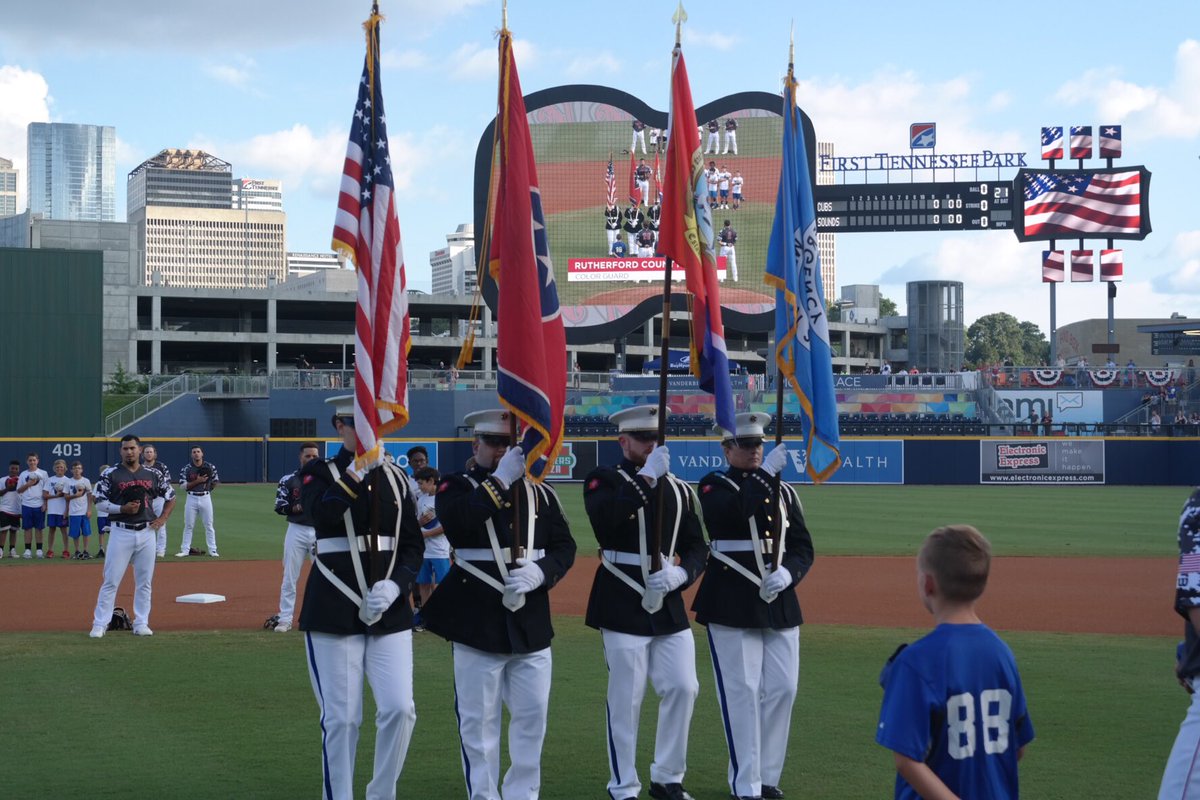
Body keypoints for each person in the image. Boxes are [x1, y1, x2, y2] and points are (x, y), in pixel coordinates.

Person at [420, 409, 577, 800]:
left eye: (511, 444)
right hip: (476, 620)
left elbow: (564, 547)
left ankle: (523, 794)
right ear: (476, 446)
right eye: (495, 443)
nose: (504, 450)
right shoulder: (455, 486)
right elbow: (459, 523)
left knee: (532, 718)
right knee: (478, 722)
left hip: (530, 619)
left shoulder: (541, 492)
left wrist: (542, 572)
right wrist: (501, 479)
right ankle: (484, 795)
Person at [298, 396, 424, 800]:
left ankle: (381, 793)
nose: (369, 433)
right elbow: (323, 515)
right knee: (342, 720)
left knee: (400, 710)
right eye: (359, 424)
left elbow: (412, 546)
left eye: (375, 424)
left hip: (389, 611)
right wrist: (355, 472)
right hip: (334, 609)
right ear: (340, 426)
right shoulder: (321, 471)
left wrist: (397, 585)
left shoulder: (397, 478)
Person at [583, 405, 707, 800]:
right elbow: (607, 521)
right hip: (620, 596)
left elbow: (696, 546)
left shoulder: (680, 489)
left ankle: (667, 777)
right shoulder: (603, 479)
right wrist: (648, 475)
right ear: (623, 441)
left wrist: (683, 574)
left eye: (655, 438)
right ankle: (623, 785)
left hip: (667, 599)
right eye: (642, 439)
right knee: (627, 697)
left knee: (684, 687)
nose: (651, 445)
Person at [693, 413, 815, 800]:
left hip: (778, 599)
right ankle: (745, 784)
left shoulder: (786, 491)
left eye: (759, 445)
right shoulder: (714, 485)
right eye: (746, 446)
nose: (755, 451)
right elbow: (730, 514)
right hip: (730, 597)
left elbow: (802, 547)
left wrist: (790, 574)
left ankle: (767, 778)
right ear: (727, 449)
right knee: (741, 692)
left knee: (783, 688)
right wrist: (766, 478)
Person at [877, 524, 1035, 799]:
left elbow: (906, 759)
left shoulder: (916, 661)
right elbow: (1018, 746)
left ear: (928, 584)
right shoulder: (1001, 653)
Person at [89, 434, 176, 637]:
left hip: (146, 532)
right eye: (125, 448)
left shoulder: (153, 474)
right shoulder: (110, 474)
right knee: (110, 580)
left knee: (145, 582)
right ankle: (100, 623)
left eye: (133, 448)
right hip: (121, 531)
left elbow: (171, 496)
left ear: (139, 450)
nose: (129, 452)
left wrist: (162, 518)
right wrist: (121, 508)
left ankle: (141, 622)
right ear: (121, 451)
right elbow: (99, 501)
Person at [268, 441, 321, 633]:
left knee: (324, 576)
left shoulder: (326, 479)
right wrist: (295, 507)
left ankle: (320, 617)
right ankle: (285, 618)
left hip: (319, 530)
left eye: (315, 456)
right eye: (308, 456)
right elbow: (279, 506)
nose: (312, 459)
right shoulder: (289, 479)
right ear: (301, 457)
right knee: (290, 576)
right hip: (296, 529)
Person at [412, 465, 449, 632]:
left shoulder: (444, 498)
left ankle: (444, 616)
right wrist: (419, 528)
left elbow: (446, 526)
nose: (419, 487)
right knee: (424, 584)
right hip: (424, 551)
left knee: (444, 584)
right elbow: (417, 522)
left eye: (421, 483)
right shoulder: (421, 499)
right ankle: (427, 617)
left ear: (431, 481)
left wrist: (426, 535)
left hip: (440, 550)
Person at [176, 446, 220, 557]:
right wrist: (198, 481)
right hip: (191, 498)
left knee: (209, 525)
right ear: (191, 455)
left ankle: (213, 550)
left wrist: (207, 489)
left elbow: (215, 481)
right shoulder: (187, 468)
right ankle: (185, 550)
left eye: (198, 452)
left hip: (205, 497)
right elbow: (182, 486)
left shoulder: (210, 466)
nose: (196, 454)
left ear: (202, 454)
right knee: (189, 525)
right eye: (194, 452)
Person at [141, 445, 171, 558]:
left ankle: (160, 550)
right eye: (147, 452)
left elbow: (167, 482)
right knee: (144, 524)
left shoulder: (161, 466)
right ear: (143, 454)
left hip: (159, 498)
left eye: (151, 452)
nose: (149, 454)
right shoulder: (140, 467)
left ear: (155, 454)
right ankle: (146, 549)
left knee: (160, 524)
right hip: (145, 499)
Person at [17, 452, 49, 558]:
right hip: (26, 504)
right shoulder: (23, 474)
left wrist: (45, 504)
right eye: (30, 460)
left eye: (34, 460)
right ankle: (28, 550)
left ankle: (39, 550)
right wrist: (28, 484)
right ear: (27, 462)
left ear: (37, 461)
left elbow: (46, 490)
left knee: (39, 528)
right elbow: (19, 490)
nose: (32, 462)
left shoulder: (43, 473)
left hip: (39, 504)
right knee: (27, 528)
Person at [65, 461, 94, 559]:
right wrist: (75, 495)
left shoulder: (86, 481)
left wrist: (89, 509)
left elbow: (89, 496)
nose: (77, 470)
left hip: (84, 511)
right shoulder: (68, 482)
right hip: (73, 512)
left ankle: (85, 551)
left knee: (86, 532)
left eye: (79, 468)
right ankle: (77, 551)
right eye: (75, 468)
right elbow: (66, 497)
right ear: (71, 470)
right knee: (75, 533)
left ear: (82, 470)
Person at [43, 458, 71, 559]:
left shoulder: (68, 481)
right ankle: (50, 550)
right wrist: (56, 496)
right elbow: (45, 495)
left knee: (64, 530)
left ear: (65, 468)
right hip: (52, 509)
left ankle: (66, 550)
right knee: (52, 529)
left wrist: (67, 510)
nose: (59, 469)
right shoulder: (50, 480)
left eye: (61, 467)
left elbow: (69, 498)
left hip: (62, 510)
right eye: (57, 467)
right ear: (54, 468)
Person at [0, 460, 22, 558]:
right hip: (4, 509)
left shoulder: (22, 480)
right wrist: (8, 488)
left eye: (16, 468)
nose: (14, 470)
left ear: (18, 470)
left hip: (17, 510)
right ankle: (0, 550)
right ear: (9, 468)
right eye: (12, 468)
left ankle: (12, 551)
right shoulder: (2, 480)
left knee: (14, 530)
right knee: (4, 530)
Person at [94, 464, 111, 558]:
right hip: (101, 513)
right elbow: (94, 497)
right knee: (101, 532)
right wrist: (97, 502)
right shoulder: (98, 484)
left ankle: (113, 549)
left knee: (113, 532)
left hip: (111, 513)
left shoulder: (113, 482)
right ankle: (101, 549)